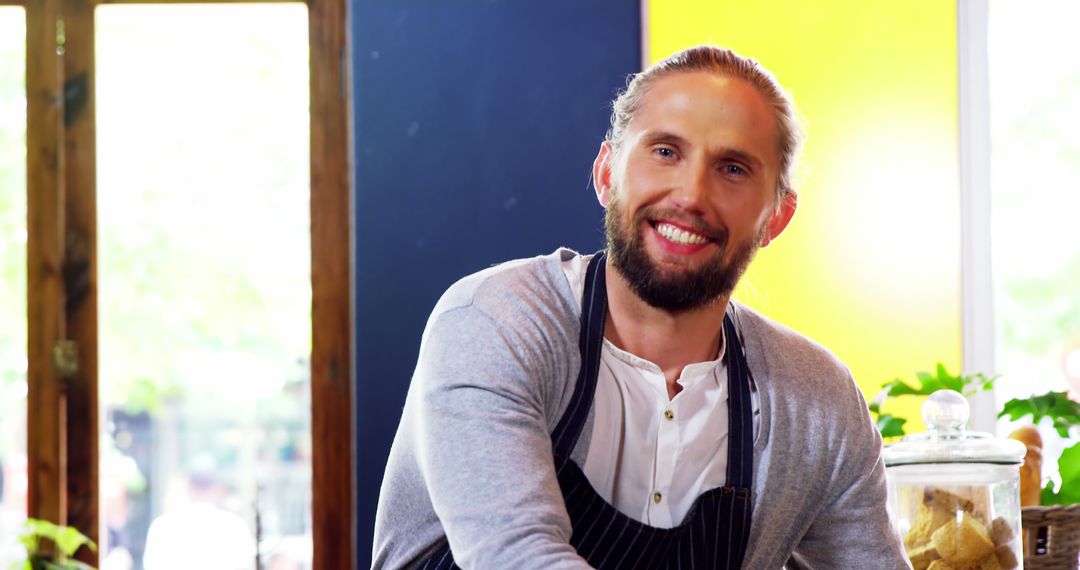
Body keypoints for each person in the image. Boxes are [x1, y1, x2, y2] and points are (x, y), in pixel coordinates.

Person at [373, 46, 909, 569]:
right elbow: (514, 556)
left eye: (733, 168)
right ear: (607, 173)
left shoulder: (819, 403)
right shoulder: (495, 322)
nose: (691, 194)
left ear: (776, 218)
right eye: (665, 152)